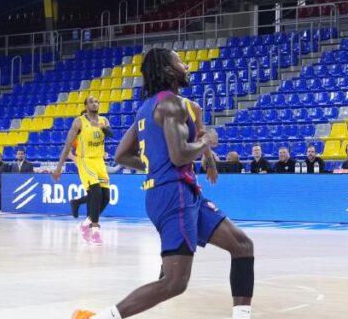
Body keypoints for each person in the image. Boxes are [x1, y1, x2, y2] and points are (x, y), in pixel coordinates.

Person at [73, 48, 254, 319]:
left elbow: (122, 154)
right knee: (174, 282)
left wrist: (157, 165)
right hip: (174, 195)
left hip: (181, 192)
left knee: (242, 246)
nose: (186, 65)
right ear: (168, 71)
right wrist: (206, 142)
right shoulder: (172, 104)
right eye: (180, 61)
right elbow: (180, 155)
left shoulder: (148, 108)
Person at [54, 95, 114, 244]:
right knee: (96, 192)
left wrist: (102, 127)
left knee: (106, 197)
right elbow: (68, 145)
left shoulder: (103, 120)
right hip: (85, 160)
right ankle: (95, 230)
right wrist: (59, 167)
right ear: (86, 105)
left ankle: (85, 224)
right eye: (92, 102)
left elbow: (112, 134)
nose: (95, 104)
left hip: (99, 160)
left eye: (97, 101)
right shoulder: (79, 122)